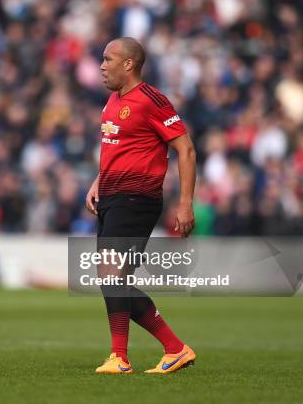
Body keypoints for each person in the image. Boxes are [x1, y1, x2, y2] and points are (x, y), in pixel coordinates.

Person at [86, 38, 197, 374]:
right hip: (111, 196)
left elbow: (186, 150)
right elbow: (116, 147)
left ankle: (120, 357)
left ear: (129, 64)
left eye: (108, 59)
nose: (102, 66)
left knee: (110, 274)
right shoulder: (112, 101)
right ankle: (175, 349)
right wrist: (97, 181)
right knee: (112, 279)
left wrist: (185, 203)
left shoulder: (152, 100)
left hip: (136, 198)